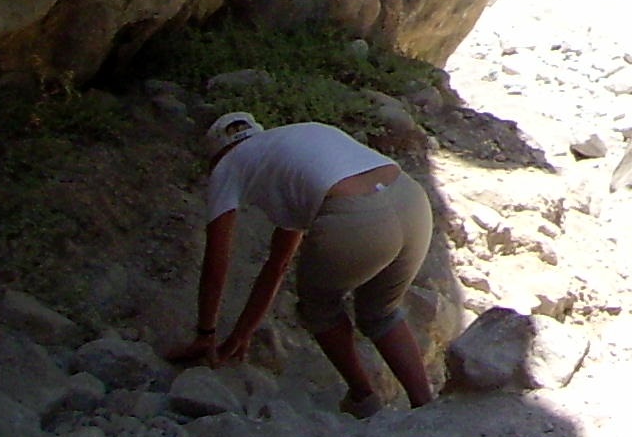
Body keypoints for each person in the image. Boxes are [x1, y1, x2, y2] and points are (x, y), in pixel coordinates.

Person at [171, 113, 435, 418]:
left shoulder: (227, 164)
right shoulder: (288, 149)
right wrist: (243, 332)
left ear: (217, 153)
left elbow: (217, 260)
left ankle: (364, 399)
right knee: (381, 312)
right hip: (412, 201)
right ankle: (426, 407)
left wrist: (206, 333)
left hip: (359, 216)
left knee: (319, 308)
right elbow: (278, 263)